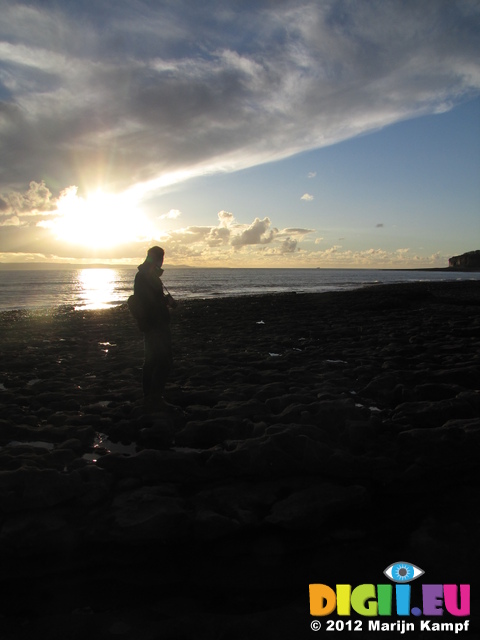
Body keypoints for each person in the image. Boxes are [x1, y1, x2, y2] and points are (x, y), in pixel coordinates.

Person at [134, 246, 175, 409]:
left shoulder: (145, 275)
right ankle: (155, 397)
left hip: (151, 323)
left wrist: (166, 302)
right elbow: (149, 301)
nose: (162, 261)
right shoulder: (146, 276)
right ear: (158, 258)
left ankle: (150, 396)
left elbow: (151, 299)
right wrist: (164, 303)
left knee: (152, 360)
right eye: (161, 258)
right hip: (155, 324)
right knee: (162, 361)